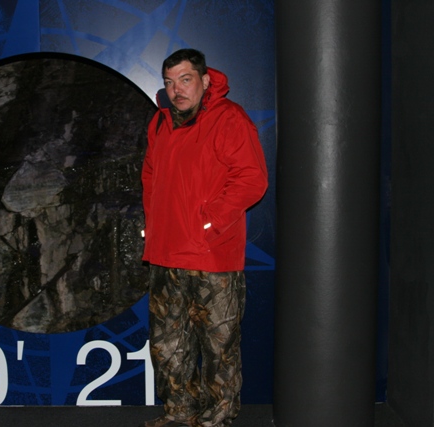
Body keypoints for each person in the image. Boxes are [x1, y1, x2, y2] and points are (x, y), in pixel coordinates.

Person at [140, 48, 268, 427]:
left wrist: (209, 222)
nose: (176, 90)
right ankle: (179, 413)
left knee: (218, 346)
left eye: (185, 79)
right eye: (169, 82)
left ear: (205, 80)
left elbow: (252, 179)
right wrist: (156, 223)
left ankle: (217, 419)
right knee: (167, 345)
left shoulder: (230, 118)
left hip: (212, 256)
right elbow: (150, 177)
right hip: (165, 254)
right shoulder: (160, 122)